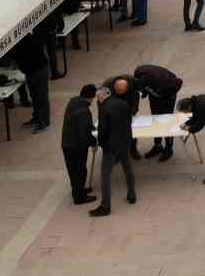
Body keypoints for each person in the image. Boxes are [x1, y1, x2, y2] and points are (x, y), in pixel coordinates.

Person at [89, 80, 136, 216]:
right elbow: (129, 122)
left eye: (98, 97)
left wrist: (101, 143)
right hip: (125, 141)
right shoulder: (124, 104)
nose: (97, 100)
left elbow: (102, 130)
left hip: (111, 146)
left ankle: (105, 206)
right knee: (128, 168)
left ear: (102, 96)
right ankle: (132, 195)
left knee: (106, 175)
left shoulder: (104, 108)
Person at [133, 64, 183, 159]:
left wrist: (161, 94)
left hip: (168, 96)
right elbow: (142, 88)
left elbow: (178, 82)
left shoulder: (164, 82)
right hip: (156, 94)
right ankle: (158, 146)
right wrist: (144, 92)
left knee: (167, 121)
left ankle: (169, 148)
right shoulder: (139, 74)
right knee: (155, 119)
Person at [61, 84, 98, 205]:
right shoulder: (84, 111)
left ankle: (79, 191)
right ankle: (79, 197)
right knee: (79, 171)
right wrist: (93, 142)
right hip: (76, 146)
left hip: (68, 143)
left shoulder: (74, 102)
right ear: (90, 97)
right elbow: (84, 133)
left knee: (74, 170)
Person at [13, 27, 53, 134]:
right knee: (34, 95)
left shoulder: (29, 40)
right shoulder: (23, 40)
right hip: (31, 70)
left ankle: (44, 122)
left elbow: (23, 56)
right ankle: (37, 117)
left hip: (38, 69)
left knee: (41, 96)